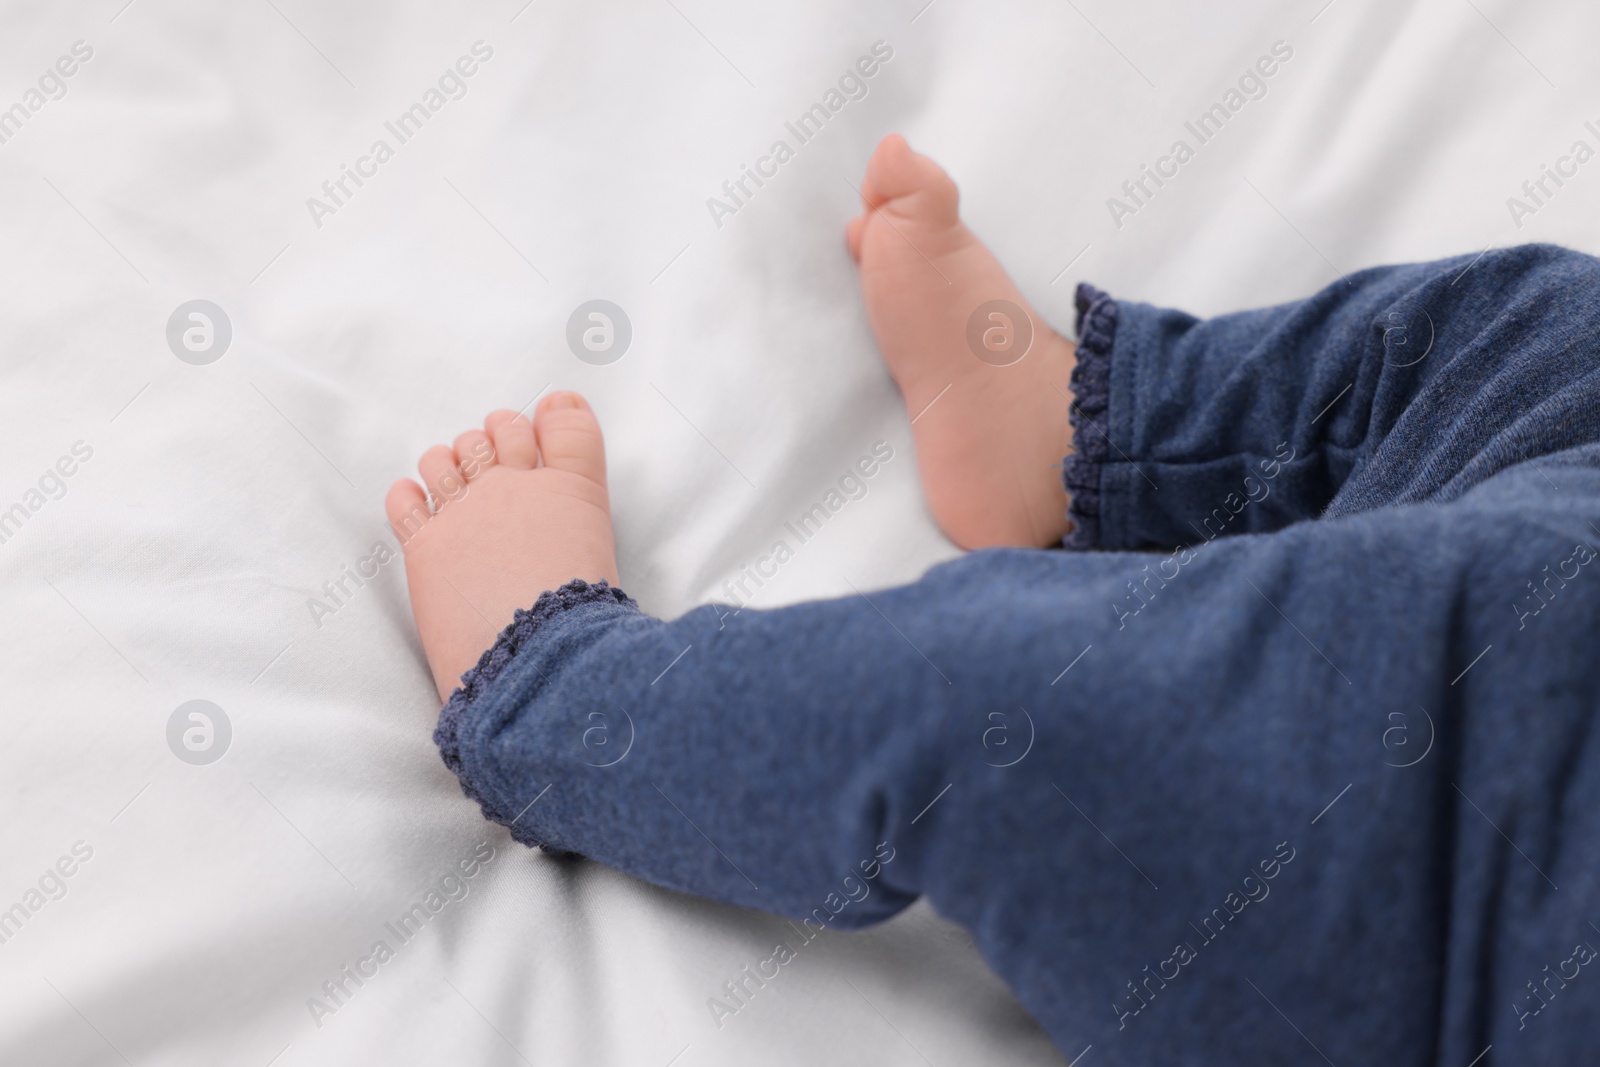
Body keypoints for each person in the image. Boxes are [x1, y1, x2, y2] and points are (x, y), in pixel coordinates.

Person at [383, 134, 1600, 1062]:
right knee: (1556, 329)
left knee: (1006, 702)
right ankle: (1103, 438)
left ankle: (552, 692)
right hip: (1540, 561)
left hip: (1458, 872)